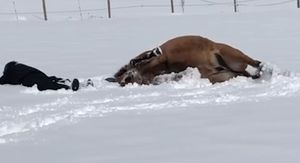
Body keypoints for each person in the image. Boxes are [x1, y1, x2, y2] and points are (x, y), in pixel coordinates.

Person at [0, 61, 79, 91]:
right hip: (38, 73)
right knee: (48, 79)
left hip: (29, 79)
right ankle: (65, 81)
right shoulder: (20, 66)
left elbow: (2, 80)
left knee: (46, 85)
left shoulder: (10, 71)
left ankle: (67, 87)